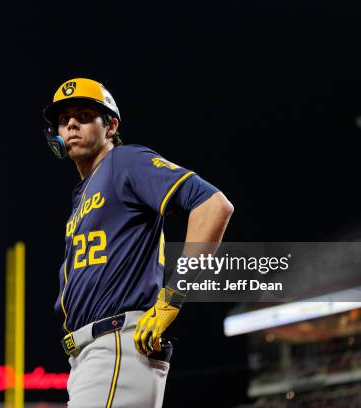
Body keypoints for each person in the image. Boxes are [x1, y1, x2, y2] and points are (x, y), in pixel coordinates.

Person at [42, 78, 234, 407]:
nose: (71, 123)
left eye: (84, 115)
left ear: (111, 125)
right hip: (92, 356)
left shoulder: (123, 162)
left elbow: (213, 205)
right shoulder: (83, 193)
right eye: (63, 119)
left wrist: (171, 299)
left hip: (116, 344)